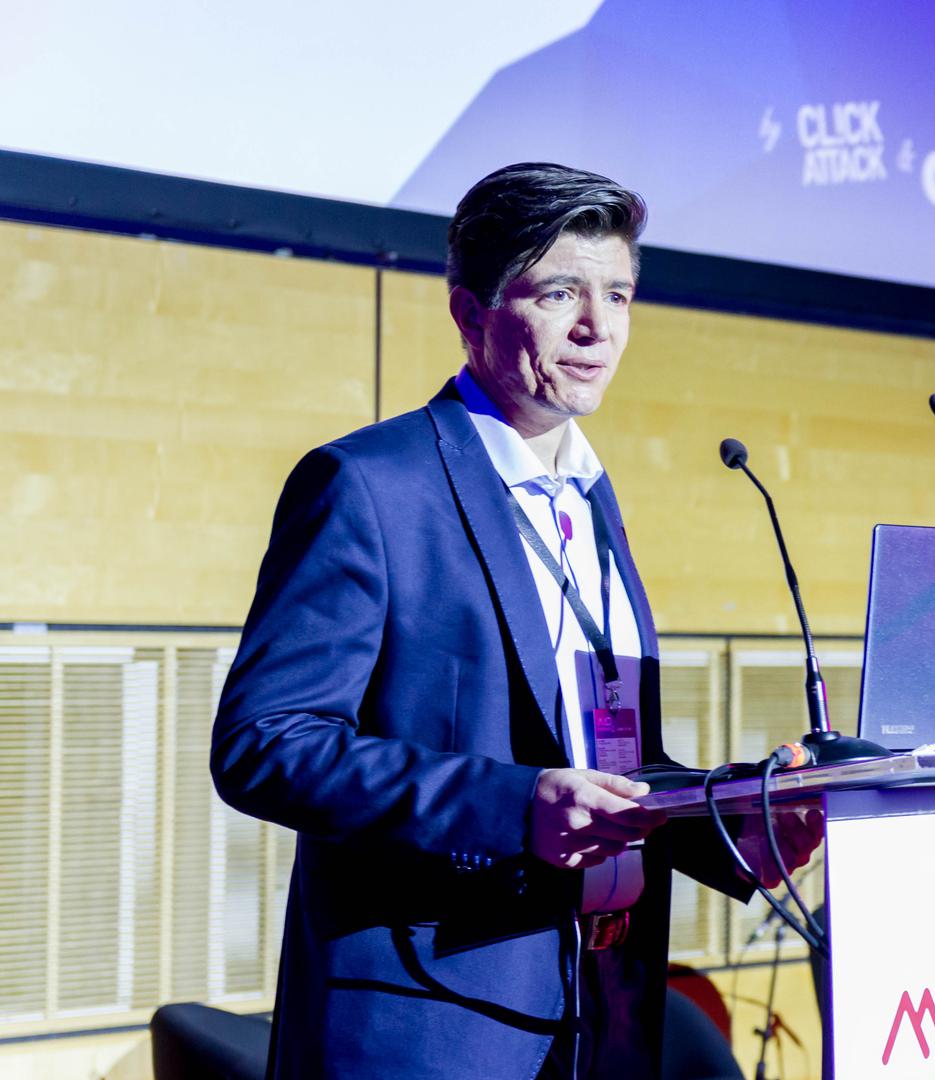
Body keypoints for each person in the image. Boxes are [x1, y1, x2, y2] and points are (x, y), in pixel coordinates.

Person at [212, 162, 823, 1079]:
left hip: (595, 1015)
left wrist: (741, 824)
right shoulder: (370, 485)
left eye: (617, 294)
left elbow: (609, 761)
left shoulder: (588, 495)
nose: (597, 327)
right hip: (427, 1025)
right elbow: (266, 744)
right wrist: (513, 805)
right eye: (559, 292)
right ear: (471, 313)